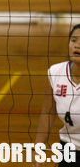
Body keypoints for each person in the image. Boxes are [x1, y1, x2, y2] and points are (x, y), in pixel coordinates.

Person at [33, 24, 80, 167]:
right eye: (73, 40)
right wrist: (38, 147)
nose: (77, 46)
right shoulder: (55, 72)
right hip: (68, 150)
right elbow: (48, 112)